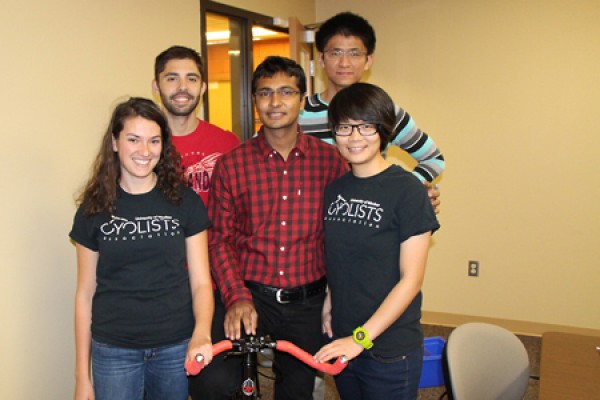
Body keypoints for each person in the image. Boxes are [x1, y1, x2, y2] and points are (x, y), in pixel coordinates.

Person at [189, 56, 348, 400]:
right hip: (250, 296)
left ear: (302, 100)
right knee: (214, 383)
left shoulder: (330, 162)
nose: (275, 102)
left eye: (286, 92)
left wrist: (333, 293)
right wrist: (236, 297)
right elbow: (219, 240)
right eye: (265, 93)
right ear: (255, 102)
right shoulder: (233, 165)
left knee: (297, 391)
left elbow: (343, 233)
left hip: (308, 301)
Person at [71, 97, 214, 400]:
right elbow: (84, 295)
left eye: (154, 141)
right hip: (114, 350)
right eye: (133, 140)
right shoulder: (93, 209)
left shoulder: (185, 202)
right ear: (114, 142)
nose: (144, 151)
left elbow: (201, 282)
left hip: (175, 346)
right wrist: (82, 377)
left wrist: (201, 332)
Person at [313, 83, 440, 399]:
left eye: (366, 126)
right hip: (344, 333)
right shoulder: (335, 190)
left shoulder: (408, 191)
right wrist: (330, 300)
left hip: (388, 347)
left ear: (383, 130)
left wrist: (360, 339)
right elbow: (342, 258)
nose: (355, 137)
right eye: (345, 127)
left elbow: (411, 280)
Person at [299, 11, 444, 209]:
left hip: (368, 227)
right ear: (322, 59)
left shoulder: (385, 112)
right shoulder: (299, 113)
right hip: (313, 228)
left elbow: (433, 158)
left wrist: (407, 190)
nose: (344, 63)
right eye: (335, 53)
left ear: (368, 61)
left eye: (354, 53)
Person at [153, 45, 240, 206]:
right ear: (156, 87)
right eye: (172, 79)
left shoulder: (228, 144)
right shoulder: (143, 148)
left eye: (192, 79)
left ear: (203, 88)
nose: (183, 87)